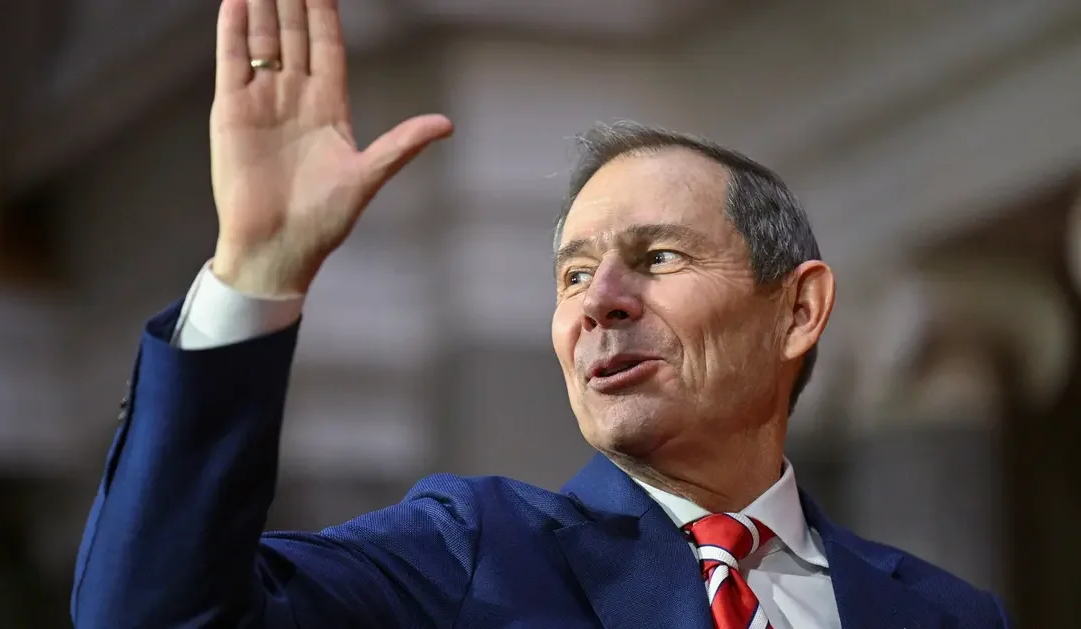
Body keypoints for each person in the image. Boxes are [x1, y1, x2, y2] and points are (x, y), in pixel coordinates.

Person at [70, 0, 1011, 627]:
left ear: (799, 309)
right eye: (573, 275)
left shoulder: (947, 615)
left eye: (658, 257)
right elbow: (149, 615)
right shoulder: (473, 553)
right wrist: (256, 270)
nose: (599, 302)